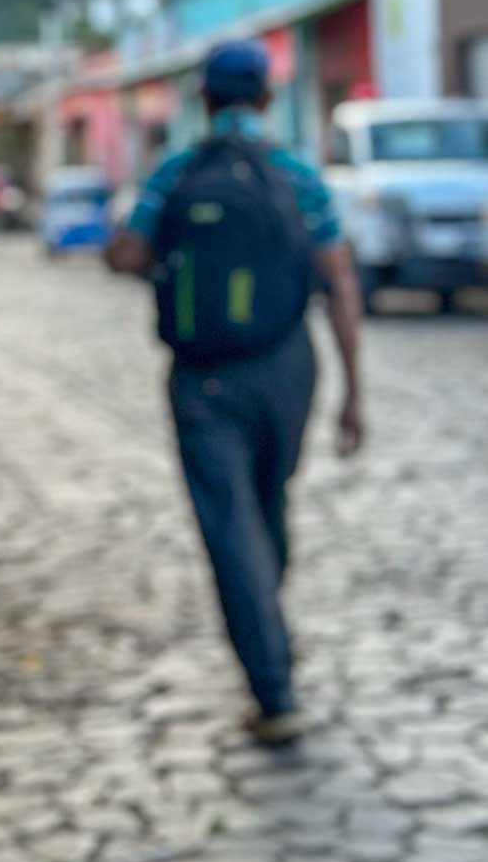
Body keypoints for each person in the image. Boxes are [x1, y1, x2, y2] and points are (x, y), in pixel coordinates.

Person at [106, 39, 363, 744]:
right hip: (286, 369)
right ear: (265, 99)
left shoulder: (175, 172)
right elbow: (337, 278)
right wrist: (352, 394)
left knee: (229, 525)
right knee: (269, 502)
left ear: (203, 101)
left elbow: (124, 253)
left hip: (200, 378)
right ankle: (269, 636)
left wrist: (178, 264)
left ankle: (272, 688)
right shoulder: (296, 175)